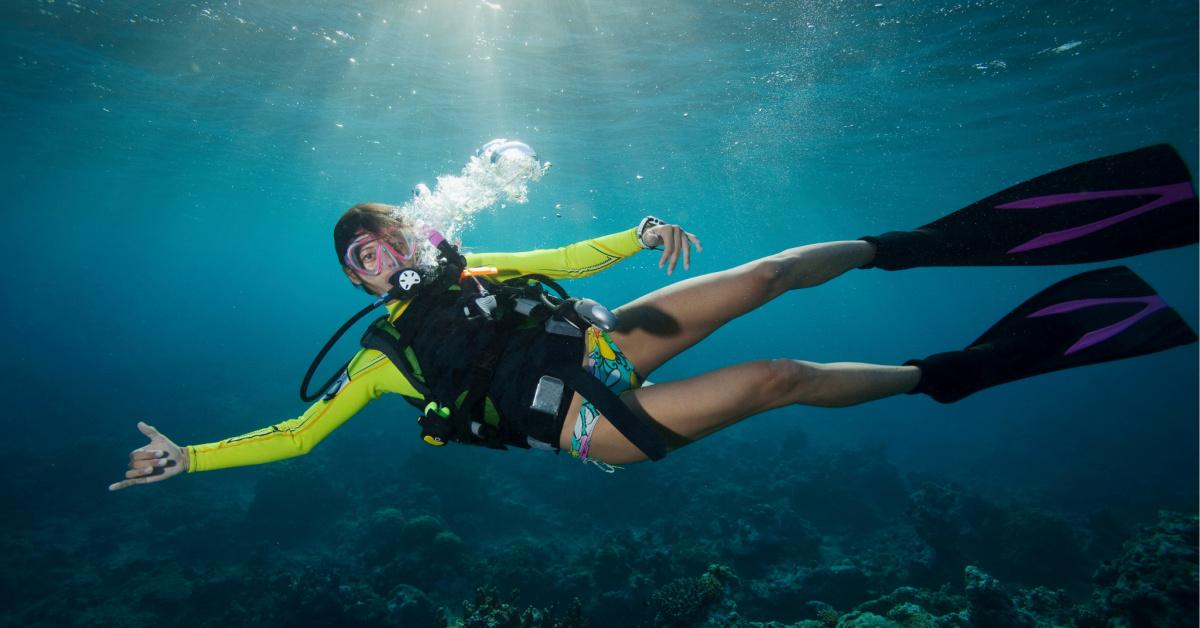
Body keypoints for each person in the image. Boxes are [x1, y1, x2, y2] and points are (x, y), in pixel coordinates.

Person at [111, 144, 1198, 490]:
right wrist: (191, 457)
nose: (373, 261)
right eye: (355, 259)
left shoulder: (477, 259)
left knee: (770, 270)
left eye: (380, 239)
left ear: (409, 235)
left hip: (606, 343)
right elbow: (297, 432)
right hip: (594, 429)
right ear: (354, 282)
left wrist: (634, 235)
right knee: (780, 374)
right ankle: (948, 371)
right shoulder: (385, 354)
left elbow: (564, 256)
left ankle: (930, 241)